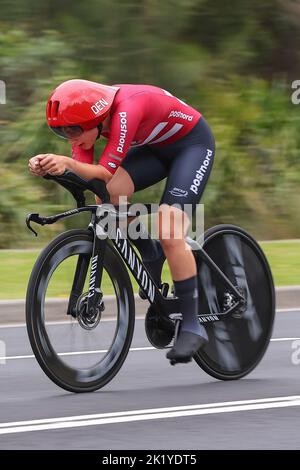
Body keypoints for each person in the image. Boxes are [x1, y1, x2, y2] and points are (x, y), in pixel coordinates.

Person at [28, 79, 215, 364]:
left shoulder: (127, 109)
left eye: (73, 130)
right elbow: (92, 181)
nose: (70, 139)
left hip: (192, 145)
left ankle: (192, 324)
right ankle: (147, 248)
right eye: (61, 131)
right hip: (156, 148)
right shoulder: (91, 123)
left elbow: (101, 171)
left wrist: (65, 162)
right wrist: (49, 167)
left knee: (169, 228)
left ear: (95, 119)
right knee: (110, 196)